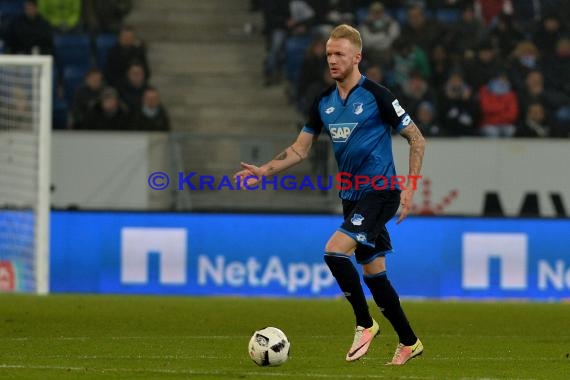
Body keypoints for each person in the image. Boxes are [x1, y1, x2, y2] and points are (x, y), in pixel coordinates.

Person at [234, 24, 426, 365]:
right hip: (352, 197)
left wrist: (409, 188)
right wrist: (264, 171)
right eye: (329, 55)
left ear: (357, 57)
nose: (333, 60)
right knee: (374, 273)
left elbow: (416, 138)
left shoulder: (378, 96)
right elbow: (299, 149)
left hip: (380, 192)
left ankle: (364, 323)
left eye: (339, 54)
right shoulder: (323, 101)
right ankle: (409, 342)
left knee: (335, 251)